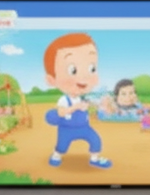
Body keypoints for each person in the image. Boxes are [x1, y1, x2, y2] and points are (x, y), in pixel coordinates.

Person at [43, 33, 111, 169]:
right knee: (62, 146)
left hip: (83, 127)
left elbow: (92, 104)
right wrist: (76, 107)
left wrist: (103, 105)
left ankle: (95, 158)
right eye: (73, 70)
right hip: (67, 128)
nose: (83, 78)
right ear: (52, 80)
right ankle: (56, 155)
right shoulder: (64, 99)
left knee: (95, 140)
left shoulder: (83, 97)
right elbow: (61, 112)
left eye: (92, 68)